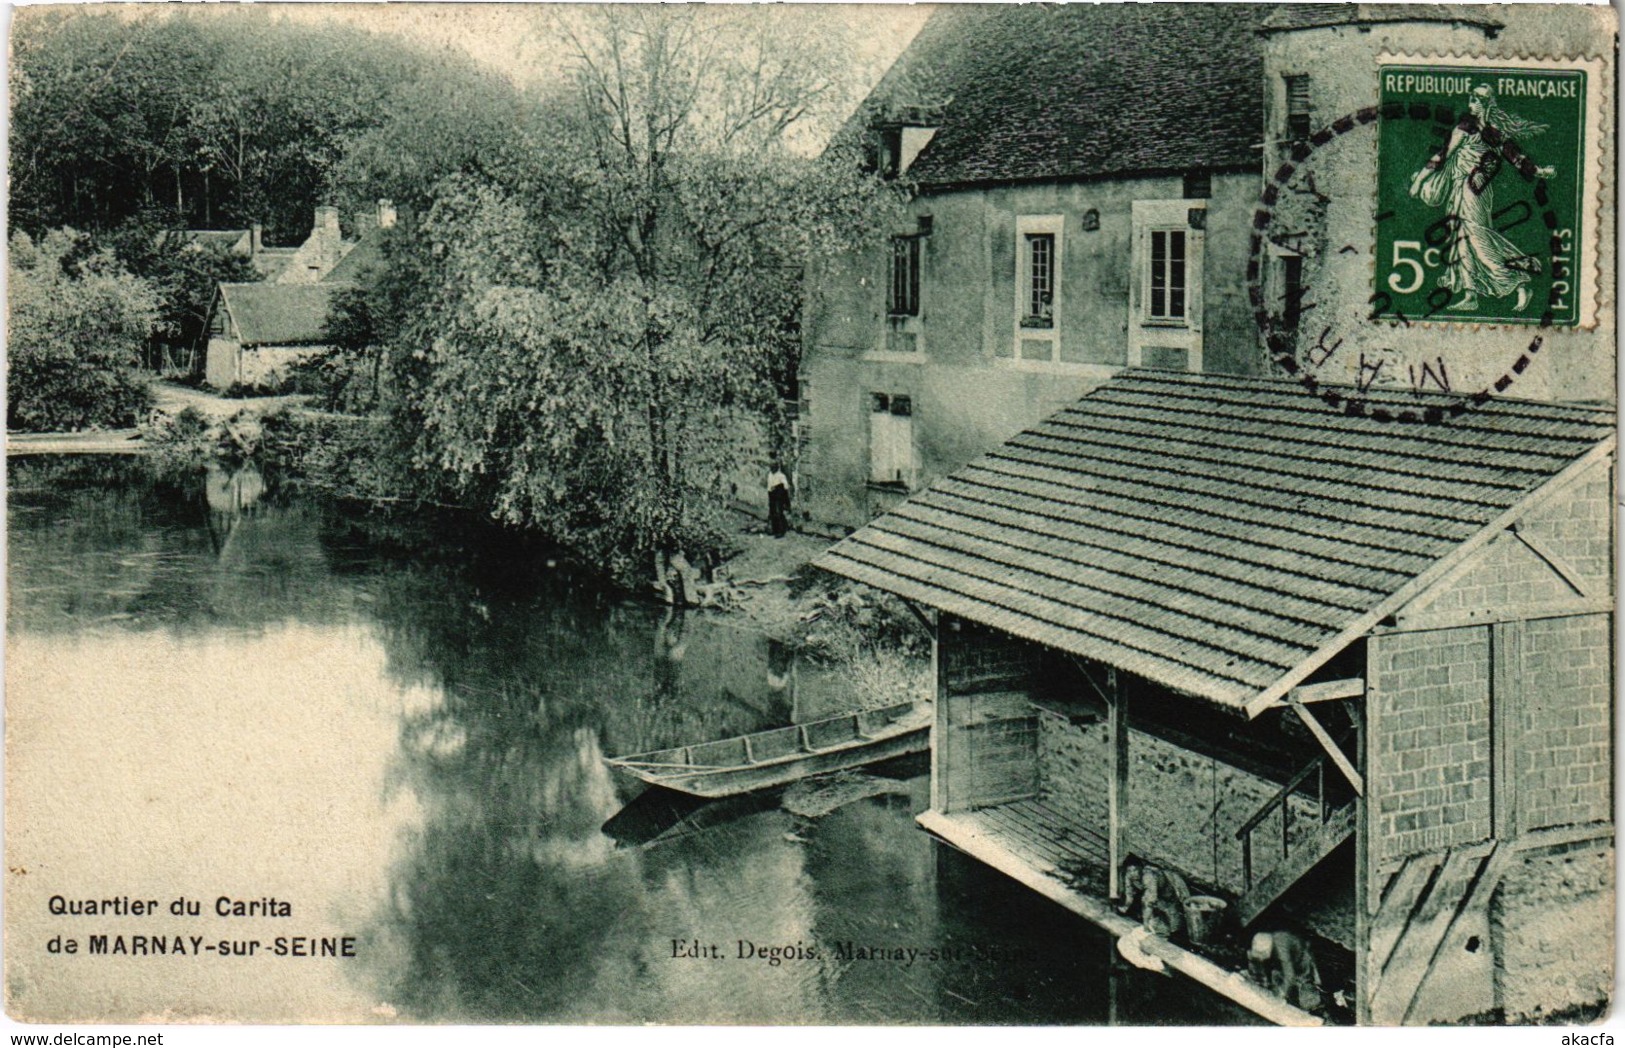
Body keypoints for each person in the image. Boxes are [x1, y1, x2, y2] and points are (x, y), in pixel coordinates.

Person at [1408, 84, 1551, 313]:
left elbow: (1516, 157)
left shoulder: (1491, 131)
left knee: (1476, 238)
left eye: (1475, 99)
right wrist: (1419, 180)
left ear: (1486, 103)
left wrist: (1539, 172)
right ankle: (1470, 294)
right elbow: (1444, 155)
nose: (1471, 101)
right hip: (1461, 187)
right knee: (1460, 238)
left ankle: (1518, 282)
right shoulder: (1467, 125)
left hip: (1474, 191)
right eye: (1471, 97)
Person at [1247, 930, 1326, 1014]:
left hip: (1301, 966)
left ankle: (1316, 1007)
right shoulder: (1268, 942)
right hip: (1286, 966)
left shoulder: (1281, 948)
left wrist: (1281, 994)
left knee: (1308, 1003)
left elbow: (1289, 974)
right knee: (1276, 979)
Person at [767, 462, 792, 538]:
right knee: (772, 512)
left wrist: (785, 499)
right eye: (771, 467)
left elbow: (786, 487)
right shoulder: (770, 474)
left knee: (779, 513)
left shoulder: (781, 476)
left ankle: (780, 531)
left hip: (779, 495)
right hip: (772, 495)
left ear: (777, 468)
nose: (772, 469)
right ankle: (774, 529)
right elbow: (769, 485)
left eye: (773, 467)